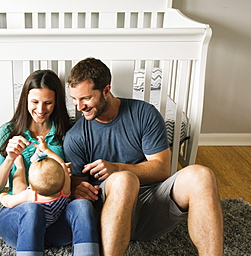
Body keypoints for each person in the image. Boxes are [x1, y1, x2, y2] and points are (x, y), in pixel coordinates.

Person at [63, 57, 224, 255]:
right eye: (74, 99)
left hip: (151, 206)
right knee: (124, 181)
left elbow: (162, 169)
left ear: (106, 90)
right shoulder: (76, 136)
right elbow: (77, 189)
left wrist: (117, 167)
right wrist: (79, 191)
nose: (79, 107)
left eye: (86, 98)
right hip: (108, 213)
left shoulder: (143, 114)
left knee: (201, 175)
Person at [0, 69, 99, 255]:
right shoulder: (8, 132)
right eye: (35, 102)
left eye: (47, 103)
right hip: (20, 222)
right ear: (25, 101)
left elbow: (75, 179)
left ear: (56, 103)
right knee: (32, 210)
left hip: (58, 222)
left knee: (83, 206)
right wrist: (10, 159)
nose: (40, 110)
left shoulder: (68, 133)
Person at [0, 135, 71, 228]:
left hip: (31, 222)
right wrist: (46, 149)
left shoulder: (30, 195)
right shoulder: (65, 190)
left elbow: (9, 202)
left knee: (19, 187)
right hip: (51, 221)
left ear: (31, 187)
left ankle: (20, 167)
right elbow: (62, 164)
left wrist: (3, 196)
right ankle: (34, 157)